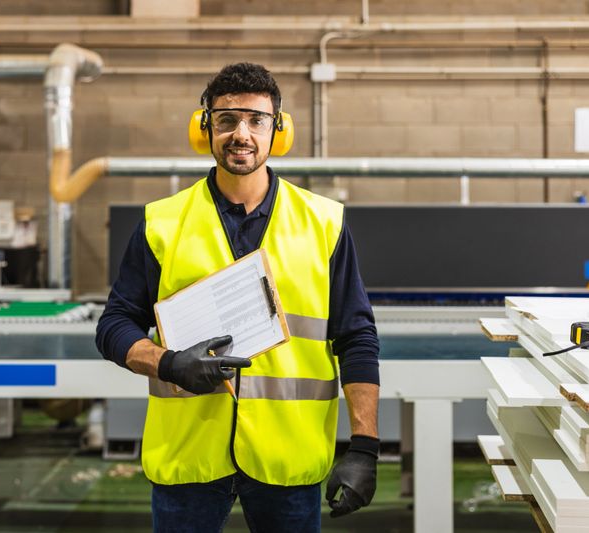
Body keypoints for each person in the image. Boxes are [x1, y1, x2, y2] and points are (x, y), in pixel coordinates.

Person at [96, 62, 380, 533]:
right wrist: (168, 364)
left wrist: (366, 447)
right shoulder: (162, 223)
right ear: (204, 128)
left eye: (256, 120)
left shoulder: (323, 223)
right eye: (226, 120)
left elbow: (357, 338)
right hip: (190, 456)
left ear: (279, 131)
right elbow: (113, 326)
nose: (240, 133)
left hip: (286, 457)